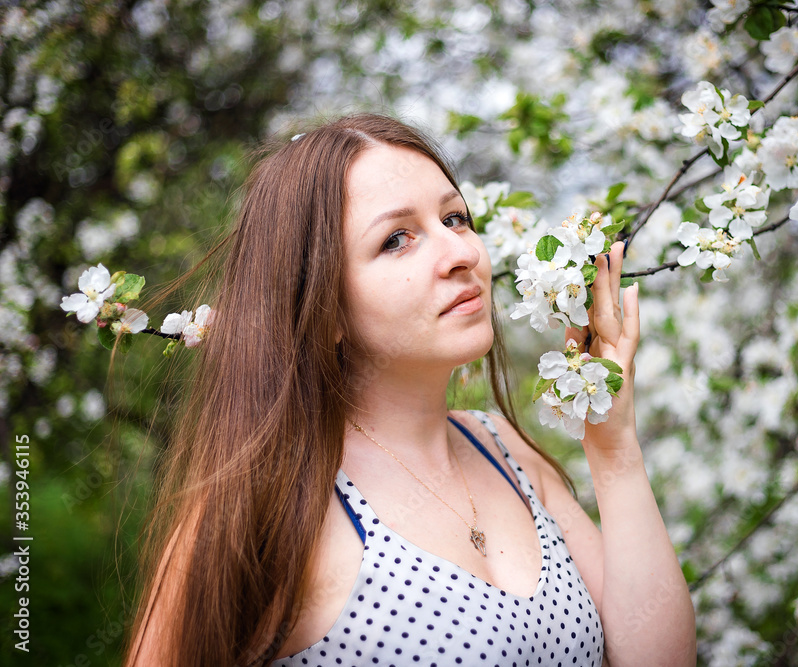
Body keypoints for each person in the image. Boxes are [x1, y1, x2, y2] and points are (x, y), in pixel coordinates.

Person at [124, 113, 695, 667]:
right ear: (323, 308)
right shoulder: (270, 505)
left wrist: (612, 445)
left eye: (455, 219)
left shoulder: (508, 456)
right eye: (397, 239)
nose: (462, 255)